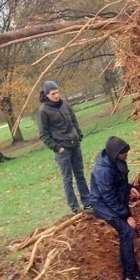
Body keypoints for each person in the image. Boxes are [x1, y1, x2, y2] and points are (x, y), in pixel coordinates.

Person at [89, 136, 140, 280]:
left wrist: (130, 188)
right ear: (115, 153)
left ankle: (134, 272)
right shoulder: (103, 171)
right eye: (123, 154)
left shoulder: (115, 161)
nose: (126, 156)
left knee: (128, 231)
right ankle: (129, 274)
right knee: (127, 231)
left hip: (111, 201)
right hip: (102, 204)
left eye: (126, 153)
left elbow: (118, 184)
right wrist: (127, 216)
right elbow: (109, 196)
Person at [37, 80, 92, 214]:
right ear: (47, 95)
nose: (56, 95)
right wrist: (57, 147)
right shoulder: (43, 111)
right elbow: (43, 135)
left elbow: (74, 120)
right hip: (62, 150)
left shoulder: (65, 105)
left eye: (57, 92)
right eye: (53, 93)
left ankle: (88, 203)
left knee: (80, 175)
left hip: (75, 145)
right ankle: (74, 208)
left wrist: (78, 135)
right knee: (67, 178)